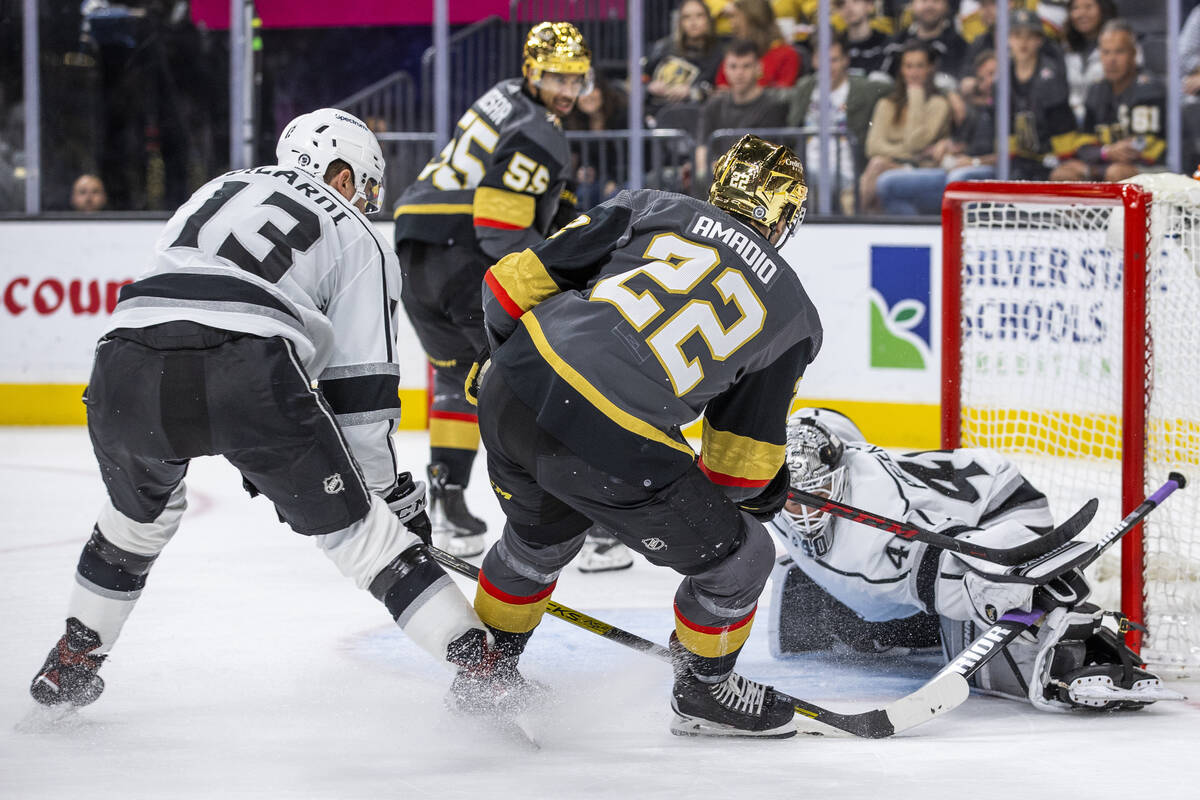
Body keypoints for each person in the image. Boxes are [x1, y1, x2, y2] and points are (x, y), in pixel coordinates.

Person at [28, 109, 499, 711]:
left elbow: (179, 300)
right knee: (366, 539)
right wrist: (385, 500)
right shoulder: (355, 232)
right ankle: (484, 672)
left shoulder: (218, 188)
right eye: (365, 183)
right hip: (246, 367)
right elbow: (360, 393)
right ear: (340, 172)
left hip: (123, 362)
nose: (367, 199)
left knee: (134, 518)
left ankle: (72, 657)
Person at [468, 134, 821, 737]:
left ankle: (486, 680)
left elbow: (506, 285)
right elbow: (737, 473)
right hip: (611, 441)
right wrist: (765, 494)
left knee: (538, 540)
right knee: (743, 560)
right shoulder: (792, 310)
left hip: (514, 387)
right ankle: (704, 692)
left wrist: (500, 357)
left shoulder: (650, 206)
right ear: (786, 218)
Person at [766, 407, 1177, 711]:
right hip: (943, 515)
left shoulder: (877, 519)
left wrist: (1007, 593)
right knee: (833, 614)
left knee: (981, 592)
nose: (804, 515)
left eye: (817, 497)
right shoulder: (772, 485)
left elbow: (956, 557)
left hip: (1002, 507)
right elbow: (826, 420)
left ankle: (1078, 650)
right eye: (794, 502)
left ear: (839, 479)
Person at [392, 22, 590, 558]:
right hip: (463, 257)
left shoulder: (501, 97)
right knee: (542, 379)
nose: (567, 90)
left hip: (414, 249)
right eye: (556, 77)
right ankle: (583, 514)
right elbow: (499, 232)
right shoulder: (540, 131)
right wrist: (566, 268)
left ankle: (447, 499)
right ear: (532, 71)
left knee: (459, 377)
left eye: (576, 79)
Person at [874, 48, 997, 215]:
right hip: (950, 169)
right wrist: (948, 145)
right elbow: (963, 144)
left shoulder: (1012, 107)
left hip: (981, 174)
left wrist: (975, 161)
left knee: (957, 181)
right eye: (982, 77)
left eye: (993, 74)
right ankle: (919, 236)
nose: (989, 81)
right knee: (887, 183)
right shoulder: (971, 109)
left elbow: (1011, 156)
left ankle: (958, 236)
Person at [783, 35, 891, 215]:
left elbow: (898, 88)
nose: (828, 67)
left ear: (846, 60)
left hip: (846, 171)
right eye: (822, 60)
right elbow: (779, 98)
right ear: (815, 61)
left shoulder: (863, 88)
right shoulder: (805, 87)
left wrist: (946, 92)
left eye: (834, 60)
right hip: (804, 167)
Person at [1050, 20, 1166, 183]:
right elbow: (1083, 146)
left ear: (1134, 54)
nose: (1111, 59)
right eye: (1106, 52)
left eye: (1119, 52)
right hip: (1108, 164)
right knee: (1063, 174)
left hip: (1157, 171)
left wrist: (1098, 162)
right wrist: (1105, 152)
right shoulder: (1096, 89)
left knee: (1116, 173)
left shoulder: (1148, 89)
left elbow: (1142, 150)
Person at [859, 40, 952, 213]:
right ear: (901, 70)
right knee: (877, 164)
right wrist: (913, 155)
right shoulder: (887, 104)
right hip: (900, 164)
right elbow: (873, 146)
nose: (913, 72)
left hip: (924, 171)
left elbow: (914, 142)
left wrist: (915, 95)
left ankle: (860, 221)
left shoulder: (938, 104)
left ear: (930, 68)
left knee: (878, 166)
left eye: (919, 66)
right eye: (908, 66)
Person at [1004, 8, 1085, 180]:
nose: (1023, 42)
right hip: (1020, 161)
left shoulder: (1050, 76)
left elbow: (1062, 124)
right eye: (1017, 35)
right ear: (1007, 38)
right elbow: (1005, 127)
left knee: (1064, 176)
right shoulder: (1003, 78)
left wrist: (1065, 159)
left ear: (1040, 40)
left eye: (1030, 36)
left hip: (1051, 159)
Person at [696, 40, 788, 184]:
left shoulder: (773, 106)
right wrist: (702, 172)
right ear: (724, 69)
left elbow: (764, 158)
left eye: (746, 66)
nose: (739, 73)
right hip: (715, 177)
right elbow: (702, 146)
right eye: (733, 66)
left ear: (759, 68)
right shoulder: (714, 104)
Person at [642, 0, 725, 118]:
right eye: (687, 17)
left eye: (699, 16)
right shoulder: (665, 47)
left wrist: (691, 92)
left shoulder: (718, 53)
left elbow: (718, 92)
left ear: (708, 19)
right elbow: (639, 79)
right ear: (680, 22)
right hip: (652, 110)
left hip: (693, 115)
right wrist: (649, 87)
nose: (693, 22)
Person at [715, 0, 803, 89]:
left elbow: (783, 96)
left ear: (753, 19)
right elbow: (722, 89)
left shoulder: (786, 54)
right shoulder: (734, 55)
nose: (732, 25)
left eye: (734, 17)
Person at [879, 0, 968, 83]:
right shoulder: (895, 44)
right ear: (913, 4)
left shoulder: (959, 46)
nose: (929, 5)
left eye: (936, 1)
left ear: (947, 6)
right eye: (924, 0)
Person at [1061, 0, 1118, 124]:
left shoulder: (1122, 42)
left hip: (1108, 119)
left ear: (1103, 9)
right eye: (1075, 8)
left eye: (1088, 7)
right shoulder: (1064, 48)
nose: (1081, 13)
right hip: (1071, 124)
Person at [840, 0, 895, 78]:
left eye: (855, 1)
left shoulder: (888, 46)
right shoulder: (834, 46)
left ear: (870, 5)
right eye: (842, 2)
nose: (848, 6)